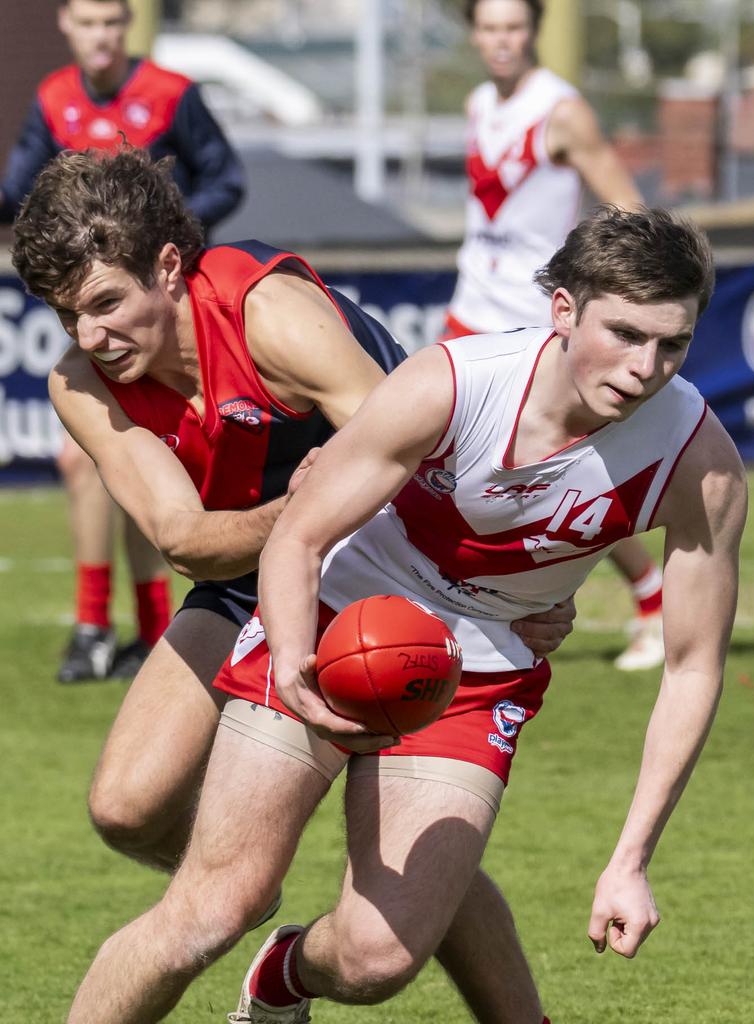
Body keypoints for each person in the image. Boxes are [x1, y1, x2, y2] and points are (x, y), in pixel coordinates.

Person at [12, 145, 577, 1023]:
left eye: (105, 304)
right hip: (248, 567)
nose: (90, 336)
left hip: (393, 567)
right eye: (66, 314)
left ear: (168, 267)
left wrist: (523, 584)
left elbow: (423, 465)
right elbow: (185, 542)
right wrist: (299, 512)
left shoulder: (270, 316)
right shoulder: (82, 381)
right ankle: (251, 867)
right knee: (126, 808)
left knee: (385, 908)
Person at [0, 0, 245, 683]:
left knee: (150, 468)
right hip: (102, 317)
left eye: (113, 20)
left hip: (163, 315)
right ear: (66, 26)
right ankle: (95, 628)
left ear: (127, 25)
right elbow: (20, 193)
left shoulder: (172, 95)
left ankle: (146, 629)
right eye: (88, 20)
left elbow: (227, 176)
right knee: (90, 463)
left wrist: (164, 234)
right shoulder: (53, 100)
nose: (101, 35)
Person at [444, 0, 665, 671]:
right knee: (443, 465)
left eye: (513, 27)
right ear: (474, 32)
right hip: (468, 305)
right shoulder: (480, 101)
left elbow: (627, 208)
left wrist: (612, 289)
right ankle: (458, 604)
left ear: (534, 30)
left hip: (533, 315)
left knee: (557, 474)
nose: (501, 41)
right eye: (489, 28)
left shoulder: (560, 109)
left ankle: (652, 596)